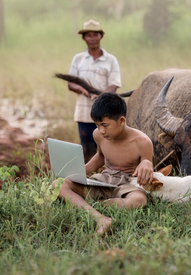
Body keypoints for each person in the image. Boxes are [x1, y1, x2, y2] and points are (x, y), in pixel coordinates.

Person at [56, 92, 154, 236]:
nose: (101, 130)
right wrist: (81, 171)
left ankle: (90, 204)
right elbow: (101, 156)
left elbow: (147, 164)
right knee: (59, 184)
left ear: (121, 121)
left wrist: (146, 163)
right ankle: (101, 218)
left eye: (105, 125)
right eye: (97, 125)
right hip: (104, 180)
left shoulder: (142, 142)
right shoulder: (98, 135)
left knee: (139, 200)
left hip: (127, 184)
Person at [67, 19, 121, 162]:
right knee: (88, 150)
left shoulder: (111, 60)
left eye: (95, 35)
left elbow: (114, 85)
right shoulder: (78, 59)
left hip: (106, 114)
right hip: (84, 114)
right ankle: (89, 178)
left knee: (109, 149)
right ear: (84, 38)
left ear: (101, 36)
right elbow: (71, 84)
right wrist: (85, 91)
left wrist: (102, 96)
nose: (92, 38)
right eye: (89, 35)